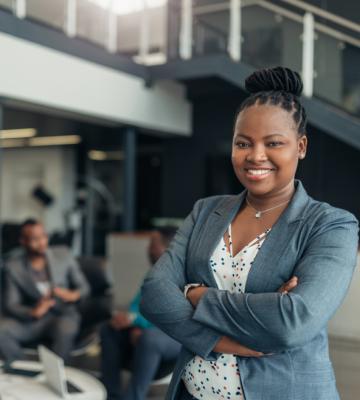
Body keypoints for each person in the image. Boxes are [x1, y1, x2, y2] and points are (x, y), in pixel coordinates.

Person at [140, 67, 359, 400]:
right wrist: (218, 339)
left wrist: (196, 296)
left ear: (300, 146)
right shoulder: (205, 211)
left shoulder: (331, 225)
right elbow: (154, 293)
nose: (256, 156)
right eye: (243, 143)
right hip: (191, 392)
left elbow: (292, 323)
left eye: (273, 143)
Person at [100, 227, 181, 400]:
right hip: (148, 327)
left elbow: (172, 315)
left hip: (176, 336)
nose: (148, 250)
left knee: (150, 338)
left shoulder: (182, 275)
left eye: (153, 245)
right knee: (109, 329)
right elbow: (137, 305)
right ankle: (112, 395)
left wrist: (138, 322)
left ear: (169, 249)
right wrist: (131, 320)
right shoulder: (153, 272)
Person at [0, 219, 89, 364]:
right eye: (35, 239)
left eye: (44, 236)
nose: (42, 242)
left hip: (63, 315)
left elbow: (84, 288)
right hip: (33, 320)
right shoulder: (13, 267)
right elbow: (11, 304)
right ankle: (26, 370)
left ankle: (59, 376)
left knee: (65, 331)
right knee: (2, 331)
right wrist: (33, 312)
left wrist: (72, 295)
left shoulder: (63, 255)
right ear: (23, 241)